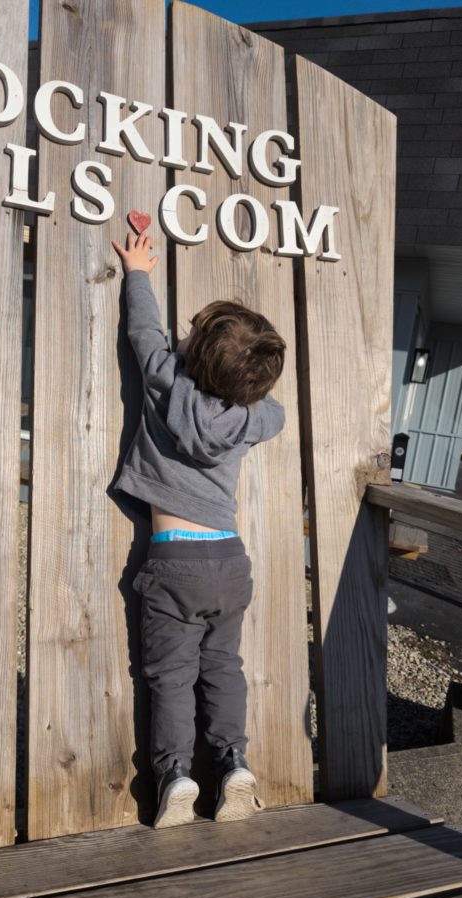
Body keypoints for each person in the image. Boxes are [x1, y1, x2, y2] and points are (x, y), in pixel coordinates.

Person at [111, 230, 287, 828]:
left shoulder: (167, 380)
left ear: (192, 353)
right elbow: (275, 410)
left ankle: (176, 775)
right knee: (223, 668)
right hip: (229, 562)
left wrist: (138, 272)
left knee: (170, 677)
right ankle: (234, 761)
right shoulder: (252, 416)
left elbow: (143, 333)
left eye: (190, 335)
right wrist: (248, 395)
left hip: (174, 561)